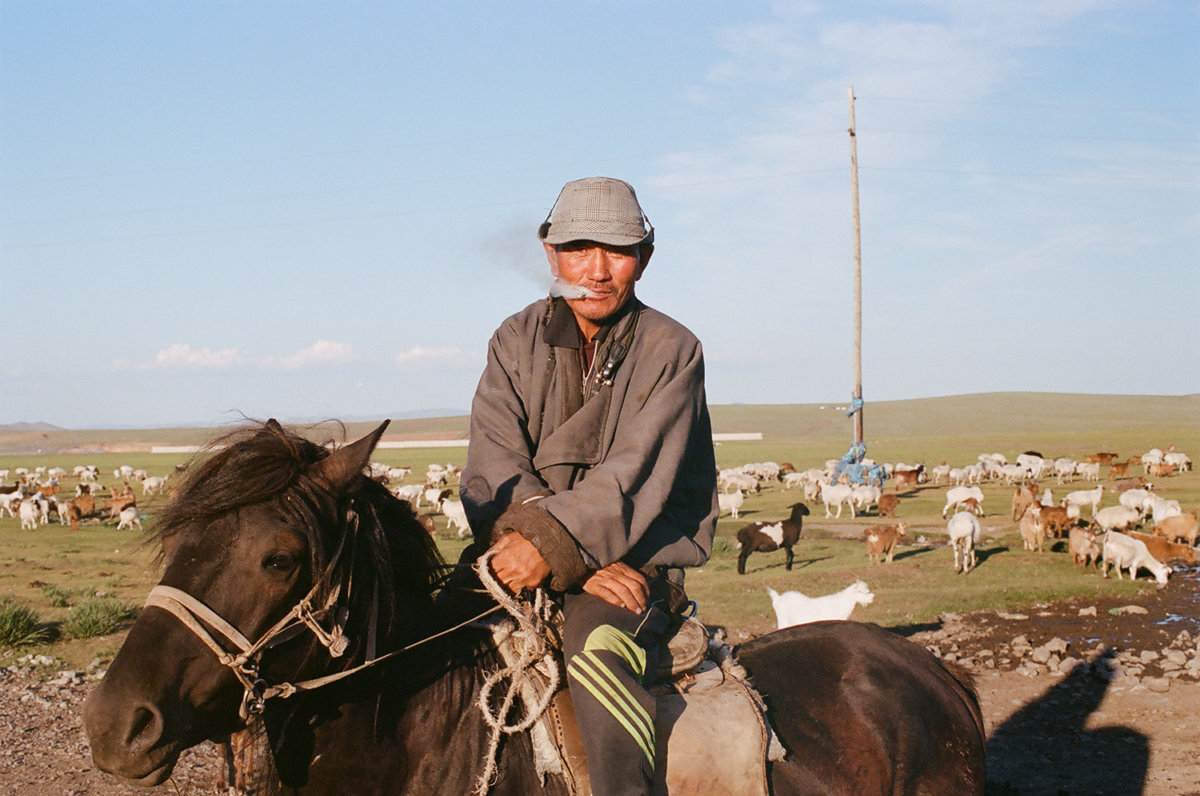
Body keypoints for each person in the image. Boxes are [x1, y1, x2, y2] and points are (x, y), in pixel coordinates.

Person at [460, 176, 718, 796]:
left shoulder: (672, 349)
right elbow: (494, 461)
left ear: (645, 259)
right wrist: (556, 555)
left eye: (618, 250)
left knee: (598, 651)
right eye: (578, 248)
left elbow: (634, 473)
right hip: (517, 548)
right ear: (551, 254)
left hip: (635, 560)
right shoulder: (514, 340)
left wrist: (557, 549)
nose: (597, 270)